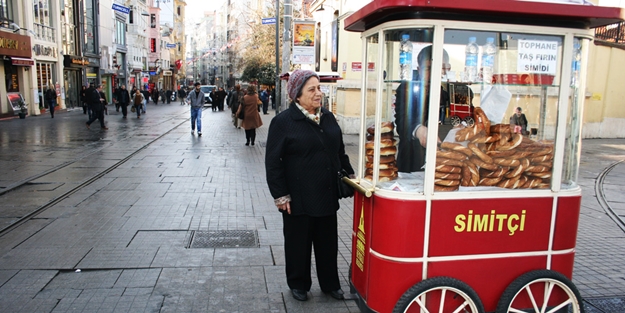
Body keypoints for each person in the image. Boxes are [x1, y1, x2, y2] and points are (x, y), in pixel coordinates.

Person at [265, 69, 354, 302]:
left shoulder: (328, 117)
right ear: (297, 95)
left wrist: (350, 177)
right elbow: (273, 163)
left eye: (319, 88)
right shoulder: (283, 122)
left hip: (326, 193)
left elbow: (339, 152)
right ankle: (299, 284)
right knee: (298, 244)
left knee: (327, 243)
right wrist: (281, 196)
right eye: (312, 89)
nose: (318, 93)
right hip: (298, 197)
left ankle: (330, 284)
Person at [394, 45, 450, 172]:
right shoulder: (406, 89)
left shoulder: (455, 92)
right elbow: (402, 121)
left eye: (439, 68)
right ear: (419, 69)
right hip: (412, 163)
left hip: (446, 164)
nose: (433, 74)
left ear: (447, 69)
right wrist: (418, 130)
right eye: (428, 69)